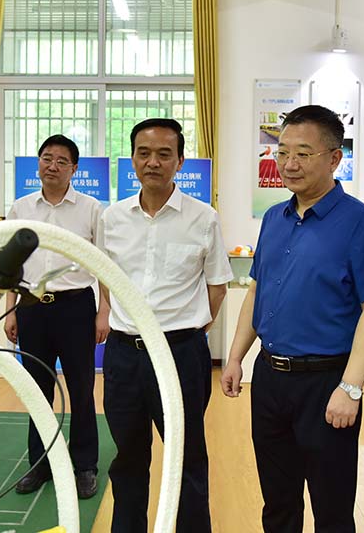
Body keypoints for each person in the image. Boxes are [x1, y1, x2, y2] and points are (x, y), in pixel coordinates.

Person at [221, 104, 364, 532]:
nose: (289, 164)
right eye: (281, 152)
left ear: (334, 158)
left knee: (331, 507)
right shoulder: (274, 219)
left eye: (302, 153)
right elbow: (257, 290)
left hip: (326, 381)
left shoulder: (361, 223)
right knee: (277, 501)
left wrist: (350, 387)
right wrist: (236, 356)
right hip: (270, 379)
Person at [97, 117, 231, 533]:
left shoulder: (203, 218)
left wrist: (188, 331)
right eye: (143, 153)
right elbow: (105, 277)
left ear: (180, 161)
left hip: (180, 355)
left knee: (186, 457)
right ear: (132, 159)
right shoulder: (112, 218)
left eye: (163, 154)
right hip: (124, 356)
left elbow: (217, 287)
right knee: (127, 458)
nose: (152, 162)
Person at [3, 134, 108, 499]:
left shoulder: (91, 209)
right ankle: (40, 463)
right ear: (38, 163)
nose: (53, 166)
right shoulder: (21, 208)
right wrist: (10, 310)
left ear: (74, 169)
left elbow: (103, 265)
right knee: (37, 390)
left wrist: (104, 312)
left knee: (81, 389)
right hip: (31, 307)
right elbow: (12, 264)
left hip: (76, 308)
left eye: (62, 161)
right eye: (47, 158)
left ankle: (84, 466)